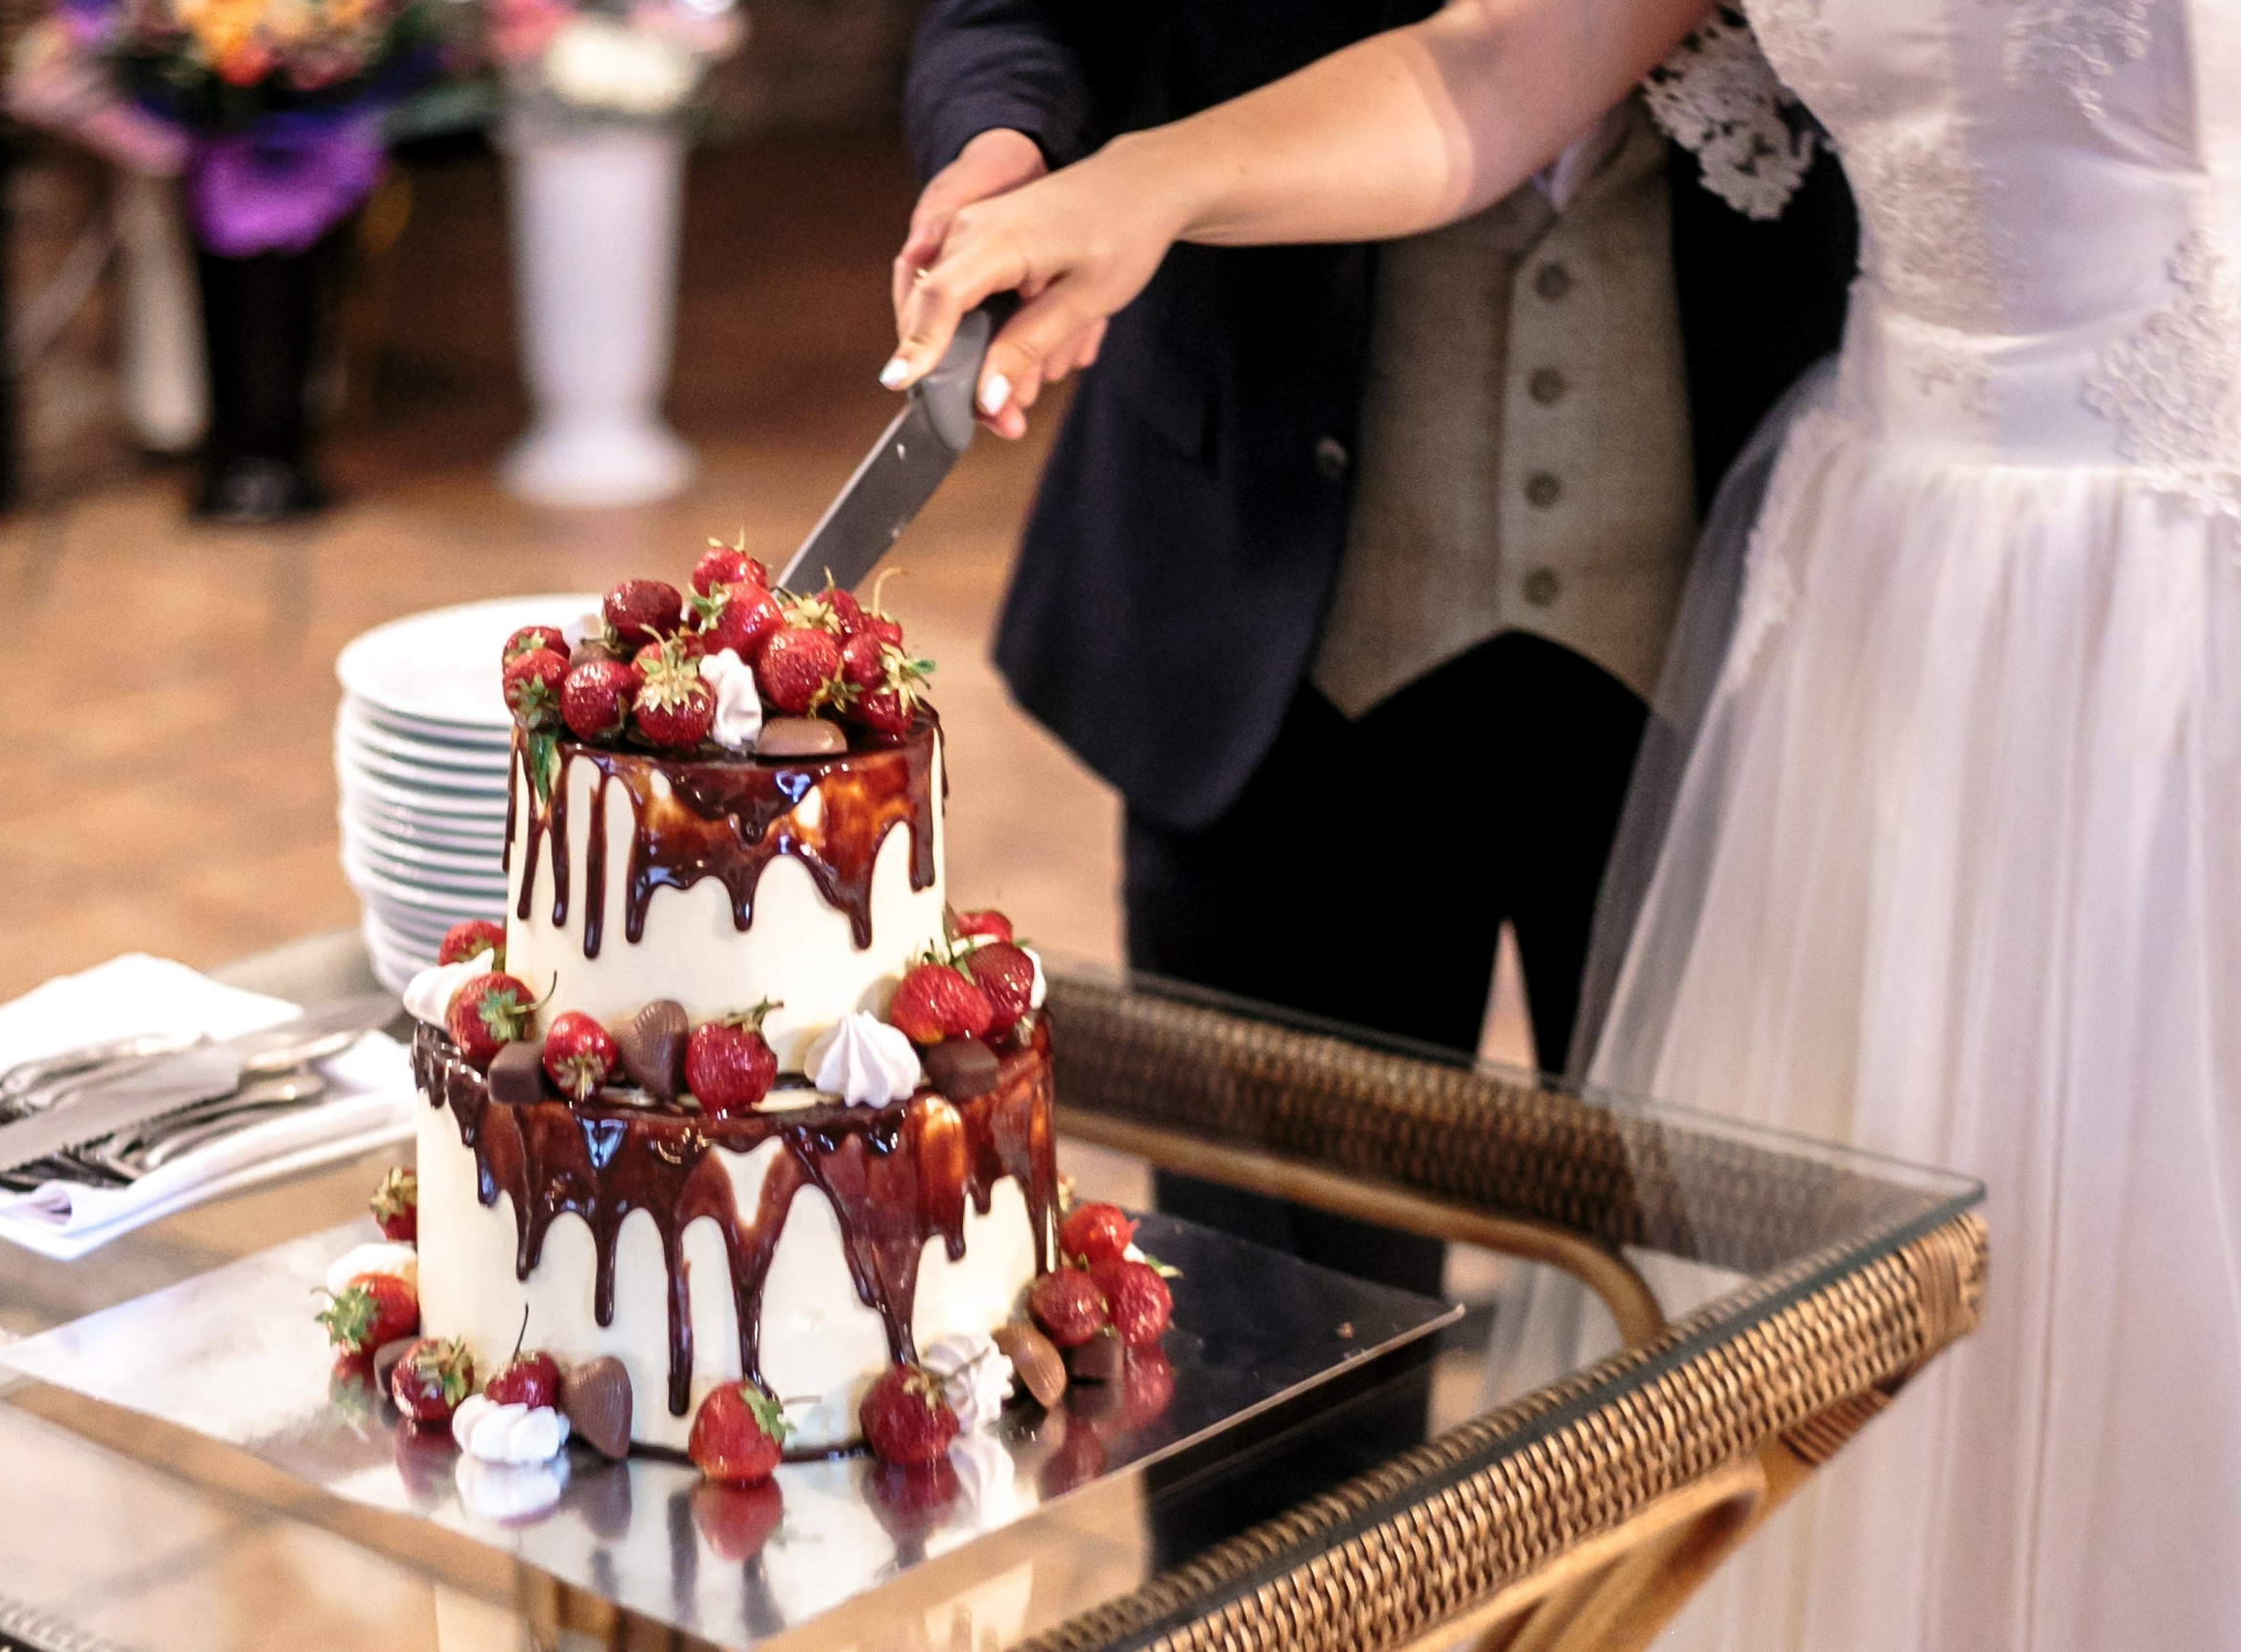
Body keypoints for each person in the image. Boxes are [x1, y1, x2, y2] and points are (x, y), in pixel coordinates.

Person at [887, 3, 2241, 1650]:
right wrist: (1136, 184)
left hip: (2096, 623)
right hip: (1773, 614)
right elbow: (1500, 62)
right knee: (1321, 1362)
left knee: (2066, 1293)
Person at [897, 1, 1855, 1290]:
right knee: (1277, 1359)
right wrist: (1003, 140)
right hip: (1273, 622)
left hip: (1752, 636)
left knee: (1736, 1330)